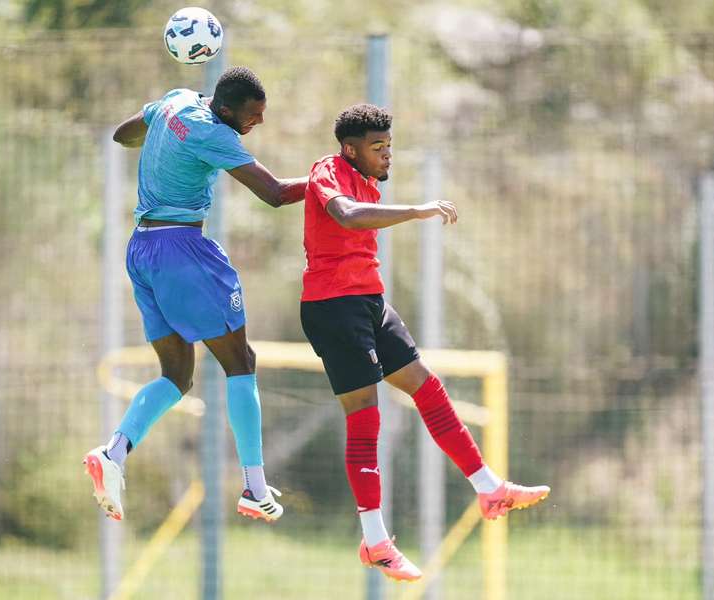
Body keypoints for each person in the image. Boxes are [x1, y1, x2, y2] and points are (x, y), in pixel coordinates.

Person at [299, 103, 550, 581]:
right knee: (366, 415)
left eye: (390, 146)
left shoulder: (364, 177)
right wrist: (416, 210)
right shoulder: (329, 170)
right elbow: (347, 216)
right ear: (349, 149)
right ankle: (374, 540)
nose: (387, 155)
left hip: (369, 302)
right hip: (333, 308)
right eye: (377, 148)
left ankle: (489, 487)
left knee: (427, 387)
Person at [83, 66, 307, 524]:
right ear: (225, 110)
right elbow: (277, 194)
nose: (258, 122)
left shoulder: (176, 101)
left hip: (142, 249)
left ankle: (115, 451)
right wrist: (335, 177)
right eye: (252, 116)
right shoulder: (214, 134)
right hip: (183, 251)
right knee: (240, 361)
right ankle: (254, 486)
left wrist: (163, 128)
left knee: (177, 375)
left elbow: (124, 135)